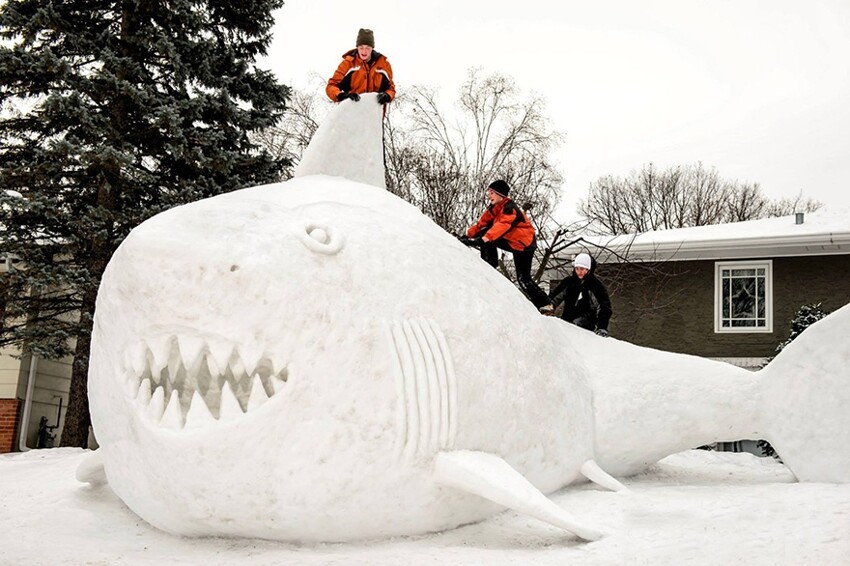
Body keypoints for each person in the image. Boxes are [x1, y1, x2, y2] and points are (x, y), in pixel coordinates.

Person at [460, 180, 554, 313]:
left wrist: (483, 240)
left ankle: (546, 304)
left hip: (524, 245)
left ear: (500, 194)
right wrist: (467, 235)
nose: (489, 195)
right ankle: (488, 264)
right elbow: (481, 224)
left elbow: (502, 226)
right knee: (485, 232)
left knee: (523, 279)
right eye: (488, 192)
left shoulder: (510, 209)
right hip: (511, 241)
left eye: (491, 192)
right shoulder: (494, 208)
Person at [326, 28, 395, 106]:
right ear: (357, 47)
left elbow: (391, 89)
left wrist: (387, 95)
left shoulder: (383, 65)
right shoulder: (348, 64)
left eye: (368, 48)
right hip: (352, 111)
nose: (364, 51)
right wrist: (341, 96)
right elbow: (331, 86)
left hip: (374, 113)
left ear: (372, 48)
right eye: (361, 47)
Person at [549, 252, 613, 337]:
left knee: (577, 323)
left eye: (582, 269)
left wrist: (602, 326)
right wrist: (548, 307)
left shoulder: (595, 286)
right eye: (577, 269)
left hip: (587, 323)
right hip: (567, 320)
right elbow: (555, 297)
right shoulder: (569, 283)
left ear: (588, 270)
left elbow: (604, 306)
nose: (579, 272)